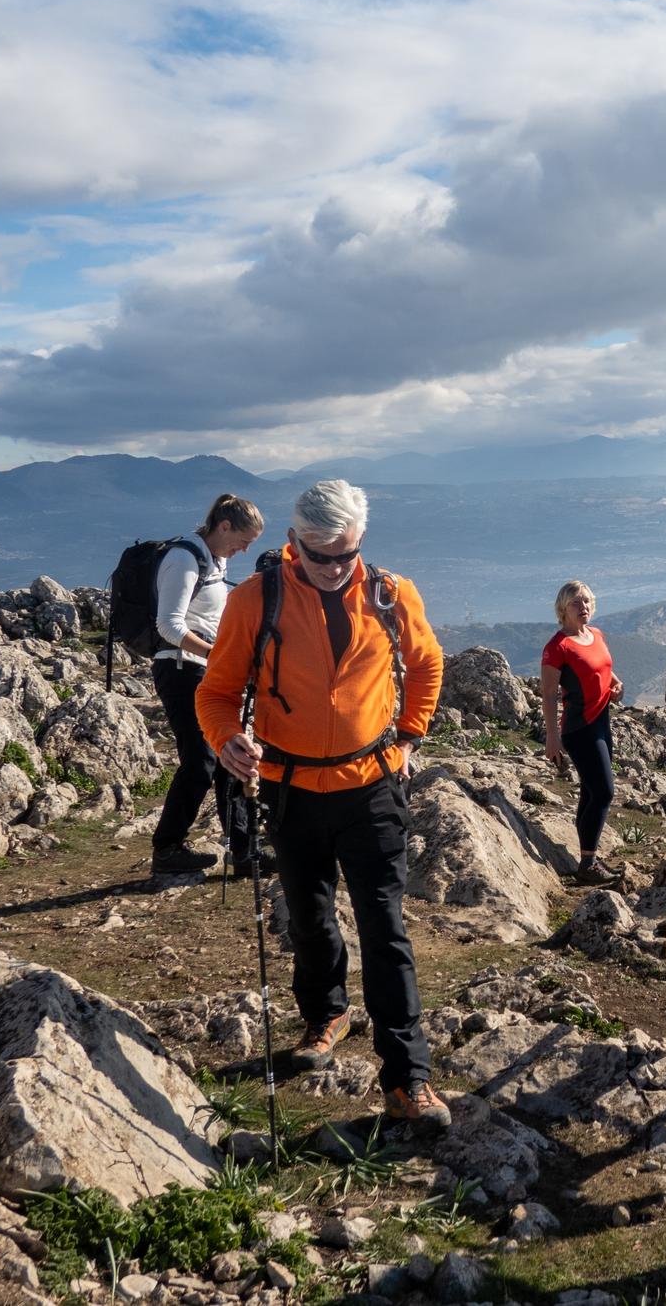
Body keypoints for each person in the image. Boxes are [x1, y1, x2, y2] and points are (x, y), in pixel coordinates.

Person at [198, 479, 452, 1132]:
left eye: (345, 554)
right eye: (319, 554)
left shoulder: (392, 595)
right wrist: (228, 741)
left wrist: (410, 735)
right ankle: (326, 1013)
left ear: (359, 543)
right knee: (308, 917)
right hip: (288, 787)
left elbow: (426, 664)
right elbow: (217, 690)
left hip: (371, 786)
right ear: (293, 542)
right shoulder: (258, 600)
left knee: (384, 927)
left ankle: (408, 1077)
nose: (334, 567)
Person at [150, 494, 262, 876]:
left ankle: (246, 851)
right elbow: (169, 625)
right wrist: (219, 657)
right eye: (243, 539)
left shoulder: (216, 559)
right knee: (200, 762)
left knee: (231, 756)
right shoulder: (184, 558)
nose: (245, 549)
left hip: (206, 670)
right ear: (224, 526)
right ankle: (167, 848)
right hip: (181, 670)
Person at [542, 580, 624, 887]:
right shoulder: (557, 647)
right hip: (579, 728)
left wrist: (616, 686)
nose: (584, 607)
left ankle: (587, 857)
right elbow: (549, 694)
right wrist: (552, 737)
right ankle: (588, 864)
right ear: (563, 609)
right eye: (577, 603)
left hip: (602, 721)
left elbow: (604, 669)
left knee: (591, 792)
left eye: (587, 601)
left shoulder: (596, 635)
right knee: (604, 791)